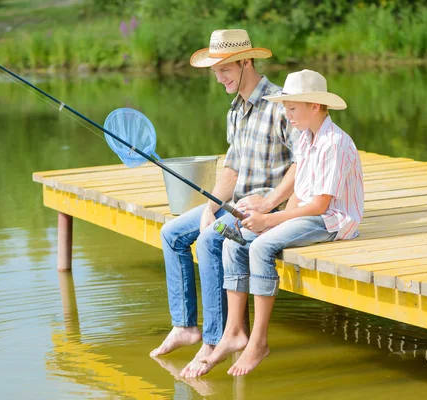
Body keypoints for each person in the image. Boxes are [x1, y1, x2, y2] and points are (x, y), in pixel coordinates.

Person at [149, 29, 299, 379]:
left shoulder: (280, 103)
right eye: (215, 71)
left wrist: (270, 202)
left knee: (208, 241)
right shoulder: (234, 109)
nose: (218, 78)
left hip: (267, 210)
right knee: (172, 232)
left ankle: (217, 338)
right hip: (234, 204)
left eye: (224, 69)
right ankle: (186, 326)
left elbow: (301, 163)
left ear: (246, 61)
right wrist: (210, 206)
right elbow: (231, 167)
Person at [201, 69, 364, 376]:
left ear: (314, 106)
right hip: (310, 213)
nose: (286, 114)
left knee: (261, 247)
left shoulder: (334, 143)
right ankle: (234, 332)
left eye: (291, 108)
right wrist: (271, 218)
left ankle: (259, 342)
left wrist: (270, 220)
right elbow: (299, 190)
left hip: (333, 221)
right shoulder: (305, 138)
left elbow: (320, 204)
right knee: (233, 241)